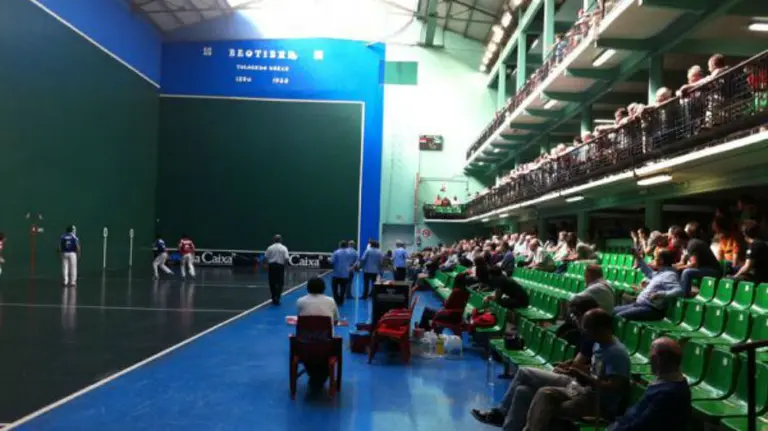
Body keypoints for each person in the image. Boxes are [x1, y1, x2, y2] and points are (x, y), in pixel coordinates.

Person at [471, 297, 600, 429]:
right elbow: (579, 360)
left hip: (575, 383)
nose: (574, 319)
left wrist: (568, 369)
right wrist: (568, 364)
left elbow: (581, 367)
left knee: (524, 372)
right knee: (522, 391)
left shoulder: (593, 337)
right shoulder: (586, 334)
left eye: (576, 315)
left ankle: (501, 412)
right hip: (573, 378)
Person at [523, 309, 631, 431]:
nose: (586, 333)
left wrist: (585, 377)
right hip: (586, 392)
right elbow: (597, 370)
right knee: (545, 393)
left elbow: (615, 387)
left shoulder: (616, 354)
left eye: (588, 330)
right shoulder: (598, 344)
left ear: (601, 329)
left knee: (552, 409)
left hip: (601, 404)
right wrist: (574, 370)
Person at [607, 338, 691, 431]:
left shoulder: (669, 394)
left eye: (652, 355)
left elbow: (642, 426)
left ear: (660, 359)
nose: (649, 358)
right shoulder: (666, 383)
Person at [296, 277, 339, 390]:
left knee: (309, 350)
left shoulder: (300, 301)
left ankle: (314, 375)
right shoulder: (330, 301)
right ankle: (320, 376)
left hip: (305, 346)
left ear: (308, 288)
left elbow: (300, 318)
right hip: (326, 345)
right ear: (323, 288)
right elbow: (336, 320)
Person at [614, 249, 681, 321]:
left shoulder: (670, 275)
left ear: (661, 261)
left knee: (618, 317)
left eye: (655, 258)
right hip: (639, 305)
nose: (653, 260)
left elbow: (678, 290)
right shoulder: (661, 273)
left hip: (651, 309)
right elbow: (648, 272)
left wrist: (660, 294)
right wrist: (638, 257)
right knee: (611, 311)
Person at [677, 222, 722, 296]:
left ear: (677, 238)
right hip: (702, 268)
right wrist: (673, 266)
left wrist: (679, 268)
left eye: (672, 238)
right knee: (678, 270)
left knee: (687, 272)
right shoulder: (685, 246)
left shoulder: (692, 244)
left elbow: (694, 264)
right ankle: (678, 291)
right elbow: (682, 262)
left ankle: (684, 296)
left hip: (713, 270)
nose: (670, 241)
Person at [732, 220, 768, 284]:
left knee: (731, 278)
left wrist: (735, 276)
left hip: (759, 278)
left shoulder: (754, 246)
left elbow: (747, 267)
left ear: (744, 233)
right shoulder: (762, 243)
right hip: (763, 275)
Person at [265, 234, 289, 305]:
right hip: (280, 266)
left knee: (272, 282)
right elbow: (286, 258)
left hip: (272, 266)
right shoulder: (284, 248)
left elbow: (266, 257)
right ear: (281, 240)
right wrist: (286, 266)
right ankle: (277, 297)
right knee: (280, 282)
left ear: (273, 240)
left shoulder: (270, 248)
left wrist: (266, 265)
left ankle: (273, 297)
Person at [331, 240, 355, 305]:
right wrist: (351, 268)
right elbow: (353, 262)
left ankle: (336, 300)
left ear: (340, 245)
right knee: (343, 288)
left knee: (335, 289)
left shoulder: (336, 252)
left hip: (336, 274)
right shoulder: (350, 253)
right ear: (347, 245)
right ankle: (341, 301)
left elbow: (332, 262)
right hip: (345, 274)